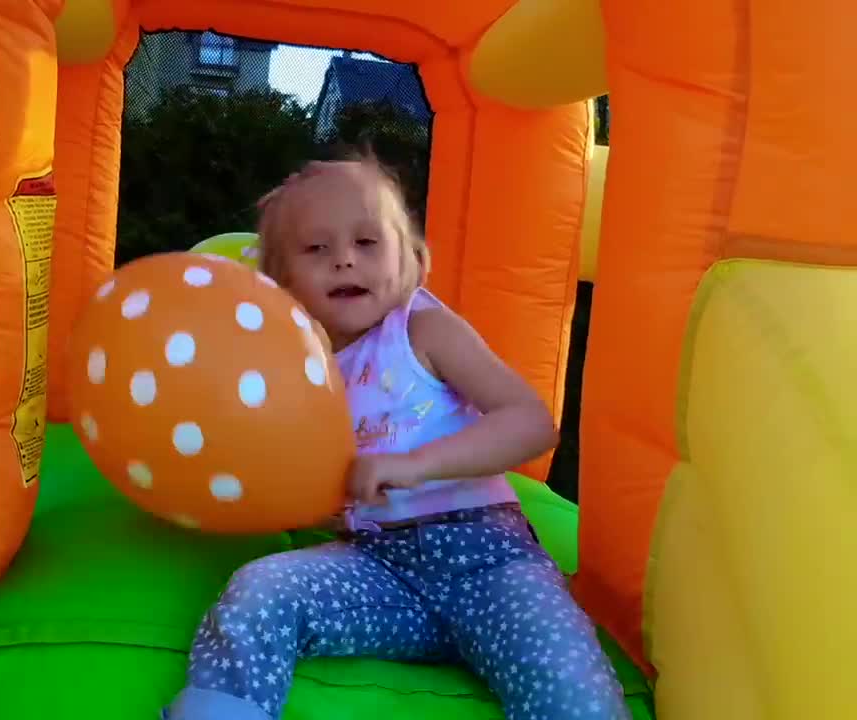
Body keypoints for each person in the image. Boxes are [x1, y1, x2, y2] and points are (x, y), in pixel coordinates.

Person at [162, 153, 630, 720]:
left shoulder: (422, 328)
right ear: (282, 283)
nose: (342, 261)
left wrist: (417, 464)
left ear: (409, 257)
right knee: (259, 592)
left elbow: (530, 422)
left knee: (567, 678)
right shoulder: (297, 368)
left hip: (490, 562)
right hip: (381, 571)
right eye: (316, 249)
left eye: (367, 242)